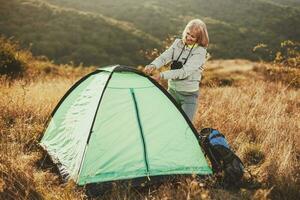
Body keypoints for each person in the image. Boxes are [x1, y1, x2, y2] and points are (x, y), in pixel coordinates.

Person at [144, 19, 209, 121]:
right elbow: (164, 57)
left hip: (188, 96)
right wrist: (153, 65)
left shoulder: (200, 52)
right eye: (187, 34)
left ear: (200, 38)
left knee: (185, 127)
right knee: (166, 121)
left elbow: (183, 72)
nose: (188, 38)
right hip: (172, 91)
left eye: (193, 36)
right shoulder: (177, 43)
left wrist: (161, 76)